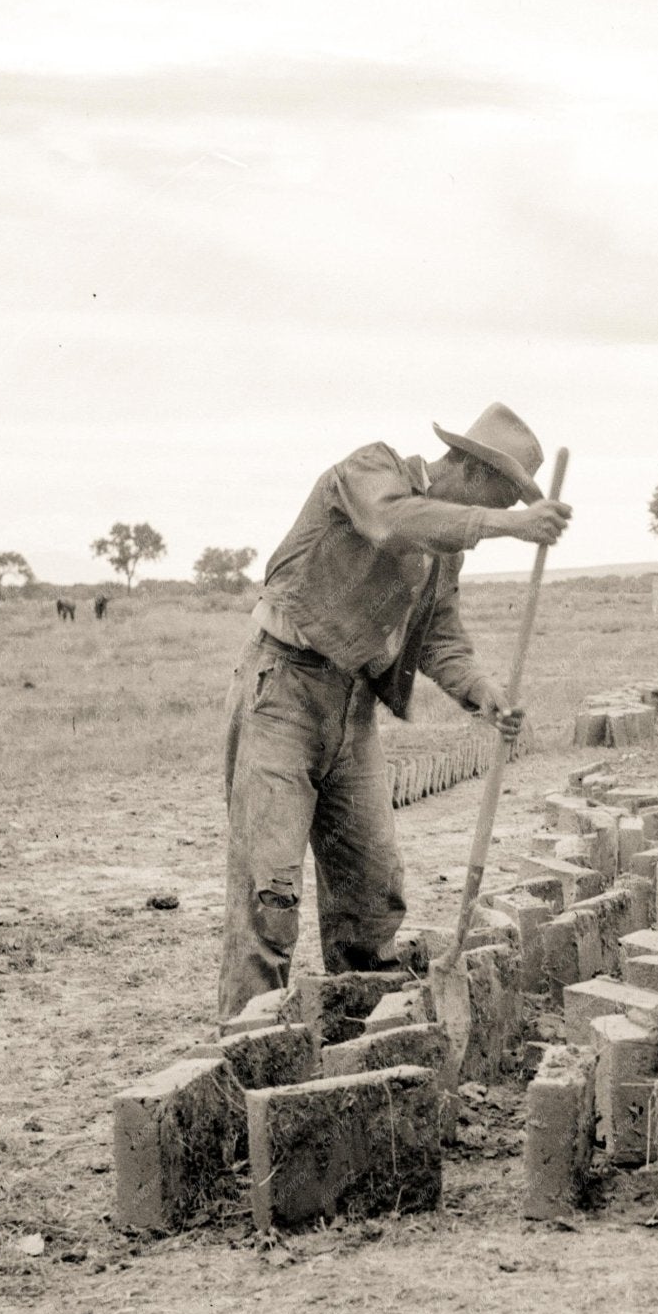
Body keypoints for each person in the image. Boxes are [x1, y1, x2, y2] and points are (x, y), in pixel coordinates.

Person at [218, 405, 571, 1021]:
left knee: (372, 895)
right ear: (467, 466)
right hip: (283, 692)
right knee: (269, 894)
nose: (509, 511)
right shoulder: (371, 470)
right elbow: (392, 523)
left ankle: (363, 1038)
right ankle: (248, 1053)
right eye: (503, 494)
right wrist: (504, 527)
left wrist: (485, 693)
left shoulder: (444, 555)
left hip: (353, 712)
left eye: (516, 505)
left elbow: (440, 640)